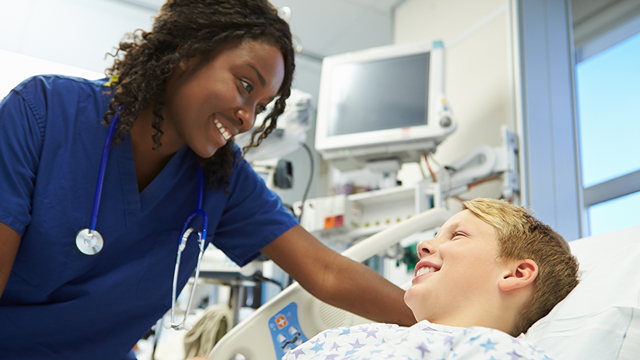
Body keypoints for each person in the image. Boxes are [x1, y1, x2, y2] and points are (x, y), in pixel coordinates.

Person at [0, 1, 415, 359]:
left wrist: (446, 318)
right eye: (244, 84)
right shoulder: (43, 113)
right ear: (188, 52)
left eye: (260, 105)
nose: (248, 118)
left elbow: (326, 272)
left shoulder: (220, 178)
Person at [282, 198, 580, 360]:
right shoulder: (360, 337)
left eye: (458, 235)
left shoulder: (497, 351)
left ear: (516, 273)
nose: (423, 245)